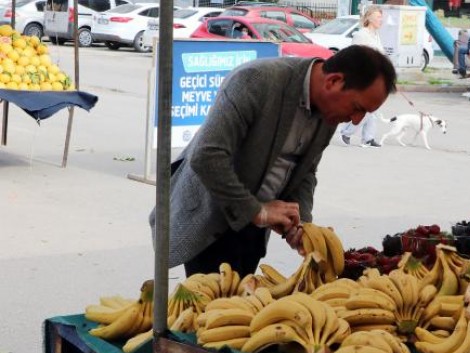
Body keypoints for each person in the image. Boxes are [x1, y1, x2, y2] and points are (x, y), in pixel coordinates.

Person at [149, 45, 397, 277]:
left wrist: (302, 224)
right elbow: (207, 156)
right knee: (211, 311)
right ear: (333, 81)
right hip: (213, 218)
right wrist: (257, 211)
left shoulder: (329, 112)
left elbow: (306, 172)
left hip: (255, 228)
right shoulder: (256, 80)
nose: (355, 120)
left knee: (242, 307)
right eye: (357, 108)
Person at [339, 5, 384, 148]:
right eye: (378, 17)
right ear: (370, 18)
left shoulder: (375, 35)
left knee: (374, 110)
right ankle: (346, 132)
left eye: (381, 17)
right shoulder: (361, 35)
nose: (381, 20)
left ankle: (368, 138)